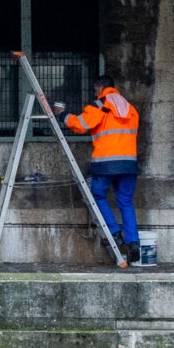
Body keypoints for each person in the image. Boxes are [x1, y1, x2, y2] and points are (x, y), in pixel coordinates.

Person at [53, 83, 144, 264]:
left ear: (100, 88)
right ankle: (133, 243)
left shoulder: (100, 105)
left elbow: (80, 124)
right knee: (125, 201)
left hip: (106, 164)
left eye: (95, 90)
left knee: (97, 195)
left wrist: (62, 114)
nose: (94, 94)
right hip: (128, 164)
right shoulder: (130, 108)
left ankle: (114, 234)